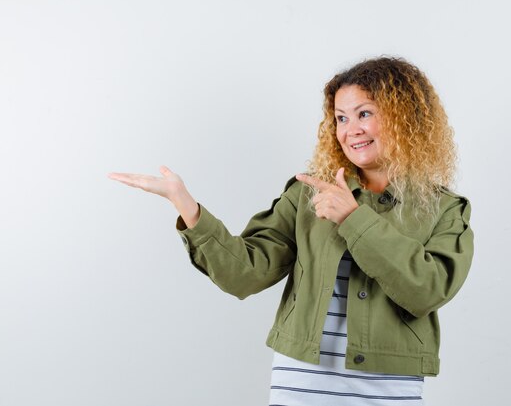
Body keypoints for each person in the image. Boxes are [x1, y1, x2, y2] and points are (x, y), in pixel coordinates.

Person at [108, 56, 474, 405]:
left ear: (403, 117)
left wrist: (353, 218)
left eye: (365, 114)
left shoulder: (445, 209)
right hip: (302, 382)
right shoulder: (307, 196)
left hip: (389, 386)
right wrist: (185, 205)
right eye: (341, 118)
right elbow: (245, 275)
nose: (352, 130)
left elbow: (426, 290)